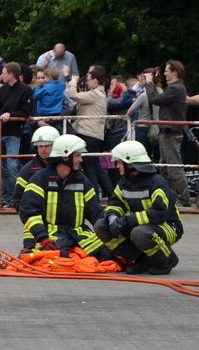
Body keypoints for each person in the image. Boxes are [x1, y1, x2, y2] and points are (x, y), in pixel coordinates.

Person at [95, 140, 183, 274]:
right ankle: (140, 259)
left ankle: (166, 260)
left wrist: (128, 221)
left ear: (130, 163)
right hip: (141, 224)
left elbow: (159, 214)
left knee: (140, 233)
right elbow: (116, 203)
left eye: (119, 162)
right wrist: (112, 218)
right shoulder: (125, 182)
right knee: (101, 226)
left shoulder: (157, 182)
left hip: (168, 226)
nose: (117, 166)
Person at [19, 134, 108, 258]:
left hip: (76, 233)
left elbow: (96, 213)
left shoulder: (82, 180)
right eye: (78, 155)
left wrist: (109, 231)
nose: (81, 160)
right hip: (48, 234)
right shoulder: (40, 179)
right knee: (61, 256)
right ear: (66, 157)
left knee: (107, 255)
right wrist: (43, 238)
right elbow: (28, 212)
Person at [142, 60, 190, 208]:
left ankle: (184, 199)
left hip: (171, 132)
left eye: (167, 70)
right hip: (167, 131)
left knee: (173, 166)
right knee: (164, 167)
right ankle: (169, 197)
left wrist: (149, 84)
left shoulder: (176, 88)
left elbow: (155, 99)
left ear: (174, 72)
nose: (164, 73)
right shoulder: (175, 88)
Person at [66, 66, 114, 200]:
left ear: (95, 80)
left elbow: (73, 95)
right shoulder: (97, 94)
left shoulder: (95, 94)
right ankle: (112, 195)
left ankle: (93, 199)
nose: (86, 82)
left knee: (89, 168)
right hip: (93, 134)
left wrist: (72, 81)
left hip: (89, 134)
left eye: (88, 79)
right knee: (96, 168)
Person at [0, 62, 34, 207]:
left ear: (11, 74)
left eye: (4, 72)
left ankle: (19, 196)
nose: (2, 75)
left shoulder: (25, 90)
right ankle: (6, 197)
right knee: (2, 165)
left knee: (11, 164)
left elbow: (27, 111)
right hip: (0, 130)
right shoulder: (4, 89)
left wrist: (10, 114)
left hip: (13, 132)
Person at [12, 125, 60, 210]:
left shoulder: (63, 168)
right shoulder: (27, 171)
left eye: (47, 146)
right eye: (40, 146)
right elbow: (17, 200)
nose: (43, 150)